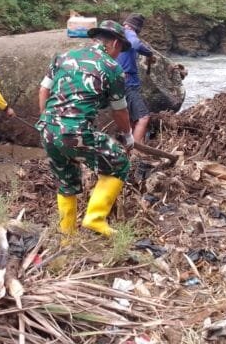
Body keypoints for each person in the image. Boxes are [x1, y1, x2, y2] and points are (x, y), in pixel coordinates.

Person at [36, 20, 134, 238]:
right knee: (119, 162)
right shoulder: (112, 67)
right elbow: (120, 111)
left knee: (66, 179)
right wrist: (127, 136)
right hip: (75, 131)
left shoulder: (63, 57)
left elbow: (43, 90)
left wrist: (47, 119)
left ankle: (67, 238)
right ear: (115, 44)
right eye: (120, 50)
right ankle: (95, 219)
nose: (119, 55)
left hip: (48, 129)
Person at [116, 13, 155, 143]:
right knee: (144, 117)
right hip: (128, 83)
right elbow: (136, 44)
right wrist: (149, 53)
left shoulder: (116, 35)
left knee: (131, 118)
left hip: (117, 82)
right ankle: (137, 152)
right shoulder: (129, 33)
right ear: (136, 27)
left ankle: (129, 148)